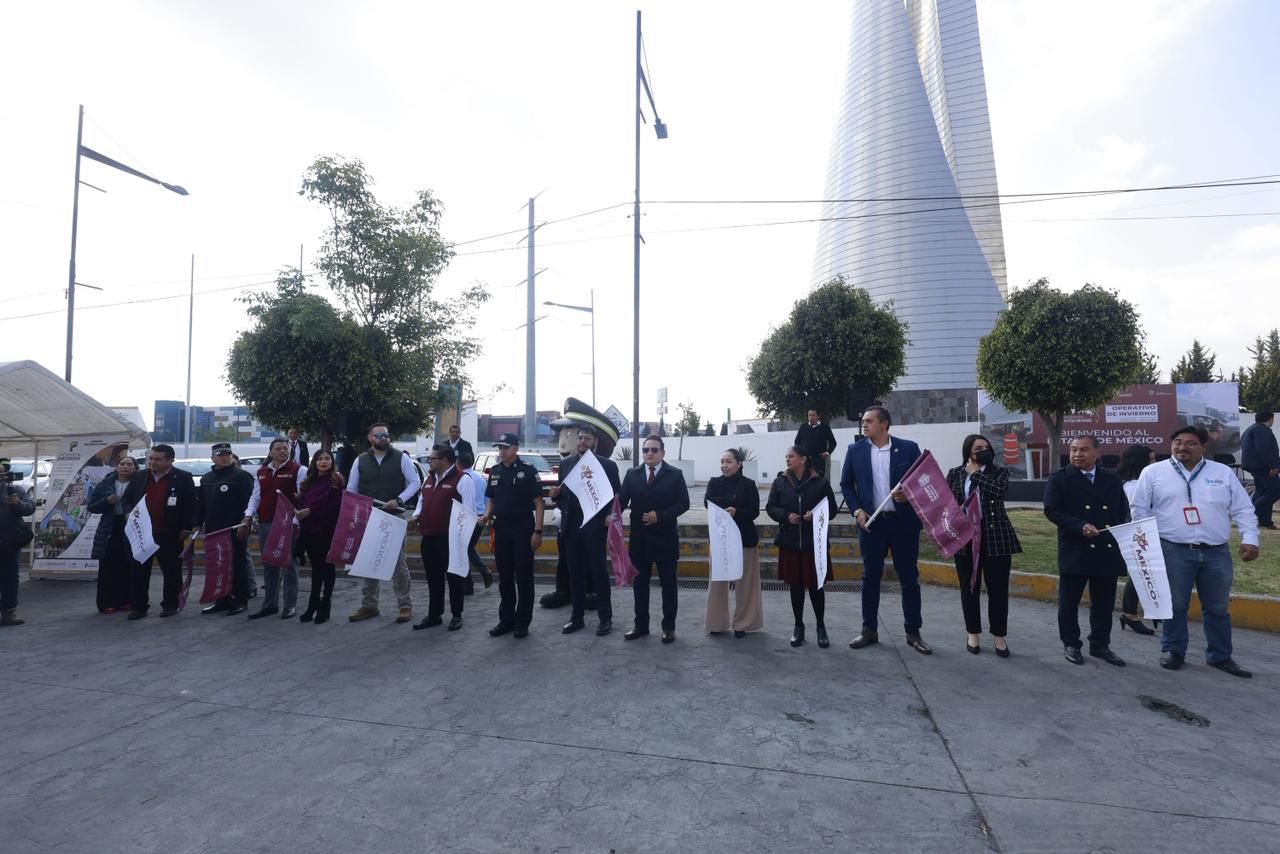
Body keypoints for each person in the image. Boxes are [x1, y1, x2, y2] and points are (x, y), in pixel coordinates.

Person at [1130, 425, 1260, 677]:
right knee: (1175, 604)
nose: (1183, 447)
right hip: (1172, 549)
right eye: (1178, 442)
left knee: (1217, 607)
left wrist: (1250, 538)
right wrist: (1147, 543)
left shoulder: (1221, 472)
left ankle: (1220, 656)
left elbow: (1243, 509)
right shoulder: (1153, 472)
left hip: (1216, 552)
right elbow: (1140, 509)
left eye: (1190, 443)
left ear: (1203, 446)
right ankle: (1173, 650)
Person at [840, 406, 930, 654]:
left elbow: (922, 481)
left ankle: (913, 632)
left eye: (869, 421)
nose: (864, 425)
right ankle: (869, 630)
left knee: (909, 578)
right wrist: (857, 511)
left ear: (884, 424)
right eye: (863, 421)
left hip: (903, 525)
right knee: (870, 577)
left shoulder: (908, 448)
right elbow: (846, 485)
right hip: (872, 525)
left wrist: (909, 495)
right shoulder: (855, 451)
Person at [1044, 435, 1129, 666]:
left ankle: (1100, 644)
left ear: (1097, 453)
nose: (1077, 454)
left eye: (1083, 450)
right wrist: (1079, 526)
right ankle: (1071, 643)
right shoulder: (1060, 479)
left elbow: (1121, 510)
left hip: (1106, 548)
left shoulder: (1111, 479)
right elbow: (1052, 510)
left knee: (1104, 603)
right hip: (1076, 548)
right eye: (1073, 450)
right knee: (1069, 603)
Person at [945, 434, 1021, 657]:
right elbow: (947, 504)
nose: (984, 451)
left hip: (996, 538)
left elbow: (998, 492)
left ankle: (999, 635)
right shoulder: (955, 473)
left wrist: (976, 474)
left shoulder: (999, 473)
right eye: (978, 448)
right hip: (966, 539)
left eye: (986, 447)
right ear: (968, 451)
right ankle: (972, 632)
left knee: (998, 590)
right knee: (969, 588)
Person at [551, 424, 622, 637]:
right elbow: (563, 496)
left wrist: (610, 515)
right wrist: (556, 495)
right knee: (575, 574)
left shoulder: (607, 466)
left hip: (595, 526)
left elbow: (617, 498)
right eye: (580, 438)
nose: (582, 442)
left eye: (587, 439)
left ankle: (605, 618)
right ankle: (577, 617)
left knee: (599, 573)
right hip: (571, 527)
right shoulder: (566, 464)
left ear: (595, 442)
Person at [346, 422, 421, 623]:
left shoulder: (401, 457)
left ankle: (405, 605)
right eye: (378, 435)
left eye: (386, 435)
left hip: (394, 516)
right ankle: (369, 605)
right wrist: (356, 512)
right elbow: (351, 489)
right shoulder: (360, 460)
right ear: (370, 438)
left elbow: (415, 482)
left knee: (398, 563)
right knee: (369, 561)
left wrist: (399, 499)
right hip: (369, 517)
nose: (383, 438)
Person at [620, 435, 690, 643]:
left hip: (665, 539)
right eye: (646, 450)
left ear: (662, 452)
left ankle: (669, 627)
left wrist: (660, 516)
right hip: (640, 540)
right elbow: (621, 501)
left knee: (668, 585)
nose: (649, 453)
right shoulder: (632, 474)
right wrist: (610, 516)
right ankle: (640, 626)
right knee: (640, 585)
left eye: (654, 450)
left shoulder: (674, 474)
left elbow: (683, 503)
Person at [766, 447, 835, 648]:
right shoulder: (780, 481)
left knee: (816, 587)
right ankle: (798, 626)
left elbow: (831, 509)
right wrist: (785, 516)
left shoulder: (820, 482)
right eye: (786, 456)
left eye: (792, 456)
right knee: (795, 587)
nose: (788, 459)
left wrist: (816, 514)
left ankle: (821, 627)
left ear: (803, 459)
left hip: (814, 543)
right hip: (790, 542)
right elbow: (771, 507)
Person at [479, 433, 545, 639]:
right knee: (505, 576)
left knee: (523, 576)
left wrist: (538, 531)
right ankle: (506, 620)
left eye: (506, 447)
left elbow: (539, 502)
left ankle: (522, 622)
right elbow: (491, 499)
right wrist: (487, 515)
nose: (502, 451)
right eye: (500, 447)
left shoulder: (528, 470)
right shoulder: (495, 471)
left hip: (523, 527)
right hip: (501, 527)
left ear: (515, 448)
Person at [121, 444, 197, 620]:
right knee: (139, 572)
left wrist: (186, 527)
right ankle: (139, 607)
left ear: (170, 460)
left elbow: (190, 505)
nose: (152, 462)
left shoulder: (183, 477)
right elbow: (127, 499)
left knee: (171, 572)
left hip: (169, 533)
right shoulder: (140, 476)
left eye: (157, 459)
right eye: (150, 458)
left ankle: (170, 604)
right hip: (142, 534)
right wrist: (128, 513)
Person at [410, 444, 473, 631]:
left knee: (454, 578)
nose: (430, 461)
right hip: (429, 536)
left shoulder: (463, 479)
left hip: (450, 538)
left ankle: (457, 615)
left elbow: (468, 510)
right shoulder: (428, 479)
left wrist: (462, 539)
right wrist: (416, 516)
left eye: (433, 458)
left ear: (444, 460)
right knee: (433, 578)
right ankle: (434, 614)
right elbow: (421, 502)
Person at [245, 437, 307, 620]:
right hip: (265, 522)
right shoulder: (262, 472)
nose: (282, 451)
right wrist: (249, 514)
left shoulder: (299, 470)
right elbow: (256, 497)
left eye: (285, 448)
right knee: (269, 563)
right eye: (278, 448)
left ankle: (290, 605)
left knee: (289, 564)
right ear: (270, 452)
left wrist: (296, 521)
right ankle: (270, 604)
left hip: (287, 524)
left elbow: (303, 498)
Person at [705, 448, 764, 638]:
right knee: (717, 582)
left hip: (744, 538)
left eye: (729, 462)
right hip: (720, 540)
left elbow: (754, 511)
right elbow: (708, 502)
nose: (725, 465)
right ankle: (716, 623)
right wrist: (732, 501)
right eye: (722, 462)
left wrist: (737, 511)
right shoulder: (714, 482)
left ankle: (742, 623)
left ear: (739, 464)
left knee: (745, 583)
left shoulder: (749, 484)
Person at [195, 443, 256, 617]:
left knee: (237, 565)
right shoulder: (206, 478)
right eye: (220, 455)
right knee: (218, 565)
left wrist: (247, 524)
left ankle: (239, 600)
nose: (225, 457)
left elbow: (250, 503)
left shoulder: (241, 476)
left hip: (235, 529)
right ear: (213, 458)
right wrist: (197, 523)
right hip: (214, 531)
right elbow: (201, 504)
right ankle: (221, 600)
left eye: (228, 454)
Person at [87, 455, 141, 614]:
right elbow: (92, 507)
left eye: (129, 464)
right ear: (117, 466)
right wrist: (106, 502)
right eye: (122, 464)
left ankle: (126, 601)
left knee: (128, 565)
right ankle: (107, 603)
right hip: (110, 527)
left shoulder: (139, 483)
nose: (125, 467)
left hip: (131, 526)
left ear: (135, 468)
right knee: (108, 566)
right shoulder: (106, 483)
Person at [295, 449, 344, 624]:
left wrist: (311, 510)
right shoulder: (308, 482)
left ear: (332, 462)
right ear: (314, 462)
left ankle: (325, 604)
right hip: (309, 530)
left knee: (327, 568)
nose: (323, 462)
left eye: (327, 459)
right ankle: (312, 604)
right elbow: (302, 503)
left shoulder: (336, 481)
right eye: (320, 459)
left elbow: (335, 506)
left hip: (327, 530)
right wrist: (300, 510)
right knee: (316, 569)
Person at [1115, 444, 1158, 635]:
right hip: (1139, 535)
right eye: (1151, 459)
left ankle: (1150, 612)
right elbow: (1137, 513)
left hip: (1149, 533)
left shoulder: (1144, 481)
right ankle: (1129, 613)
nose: (1155, 463)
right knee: (1141, 575)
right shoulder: (1132, 485)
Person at [0, 458, 36, 627]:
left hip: (10, 541)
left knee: (10, 578)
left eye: (2, 473)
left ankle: (9, 612)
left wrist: (17, 503)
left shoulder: (15, 490)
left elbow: (30, 508)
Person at [457, 451, 494, 594]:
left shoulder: (460, 478)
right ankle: (476, 578)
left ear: (458, 464)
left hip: (467, 517)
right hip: (480, 517)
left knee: (464, 550)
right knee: (468, 548)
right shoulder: (480, 478)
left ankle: (470, 583)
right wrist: (487, 515)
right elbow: (487, 499)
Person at [1240, 411, 1279, 530]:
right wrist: (1273, 466)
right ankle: (1249, 514)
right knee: (1276, 490)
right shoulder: (1262, 430)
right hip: (1263, 466)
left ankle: (1265, 521)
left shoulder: (1250, 430)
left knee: (1262, 492)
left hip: (1255, 466)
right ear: (1270, 419)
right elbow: (1263, 450)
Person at [794, 408, 837, 479]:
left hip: (819, 461)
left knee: (818, 481)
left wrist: (827, 453)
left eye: (813, 415)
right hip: (805, 461)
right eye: (809, 415)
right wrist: (800, 455)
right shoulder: (803, 427)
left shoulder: (824, 427)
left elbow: (833, 442)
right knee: (804, 480)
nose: (811, 417)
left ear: (818, 416)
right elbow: (797, 442)